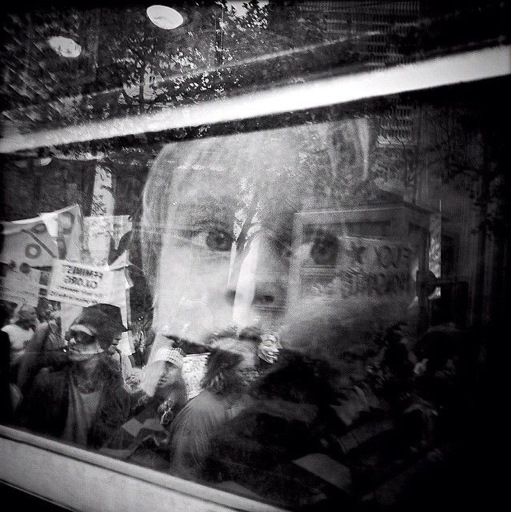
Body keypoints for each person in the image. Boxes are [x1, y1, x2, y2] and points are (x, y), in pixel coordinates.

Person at [139, 121, 430, 507]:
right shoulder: (157, 411)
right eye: (214, 238)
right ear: (155, 265)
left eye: (316, 247)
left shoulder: (332, 430)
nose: (256, 281)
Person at [15, 303, 131, 449]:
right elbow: (22, 435)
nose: (73, 341)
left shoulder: (118, 395)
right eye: (72, 334)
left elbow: (114, 449)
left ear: (103, 342)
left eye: (84, 336)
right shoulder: (47, 381)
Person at [167, 336, 261, 479]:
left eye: (253, 371)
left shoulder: (243, 402)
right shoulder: (199, 412)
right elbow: (184, 472)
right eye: (244, 371)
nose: (252, 377)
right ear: (224, 371)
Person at [101, 346, 188, 469]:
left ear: (179, 373)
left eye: (171, 367)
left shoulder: (178, 407)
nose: (163, 372)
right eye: (160, 366)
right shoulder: (140, 397)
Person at [1, 304, 38, 384]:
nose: (35, 316)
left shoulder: (32, 332)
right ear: (22, 315)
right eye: (32, 313)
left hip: (25, 377)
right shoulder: (8, 330)